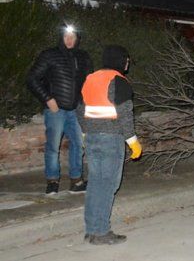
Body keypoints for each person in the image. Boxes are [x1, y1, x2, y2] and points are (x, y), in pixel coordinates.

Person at [78, 45, 142, 245]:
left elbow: (79, 110)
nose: (127, 63)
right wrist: (133, 142)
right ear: (119, 60)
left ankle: (91, 230)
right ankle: (102, 232)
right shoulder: (119, 81)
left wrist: (85, 132)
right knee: (108, 185)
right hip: (111, 139)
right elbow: (125, 115)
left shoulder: (90, 79)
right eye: (126, 59)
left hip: (91, 138)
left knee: (96, 183)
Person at [27, 23, 92, 195]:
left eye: (73, 36)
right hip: (56, 111)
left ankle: (76, 180)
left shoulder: (83, 56)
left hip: (76, 109)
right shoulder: (49, 55)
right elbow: (32, 78)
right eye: (66, 36)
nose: (69, 40)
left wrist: (84, 103)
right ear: (61, 37)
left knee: (79, 145)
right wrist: (48, 99)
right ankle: (52, 181)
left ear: (78, 38)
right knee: (53, 146)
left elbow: (89, 82)